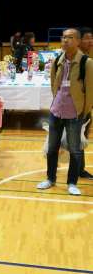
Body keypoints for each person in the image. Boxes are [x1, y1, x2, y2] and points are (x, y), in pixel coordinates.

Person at [37, 28, 93, 196]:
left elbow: (90, 91)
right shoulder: (57, 60)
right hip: (56, 111)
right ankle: (50, 178)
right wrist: (57, 101)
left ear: (78, 41)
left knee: (75, 150)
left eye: (70, 37)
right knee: (52, 148)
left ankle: (72, 182)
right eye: (63, 37)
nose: (65, 40)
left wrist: (83, 112)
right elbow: (54, 84)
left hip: (75, 114)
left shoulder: (86, 63)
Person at [78, 26, 93, 179]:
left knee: (81, 139)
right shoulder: (79, 59)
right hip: (79, 109)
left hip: (86, 108)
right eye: (87, 38)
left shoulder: (86, 58)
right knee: (77, 140)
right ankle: (77, 171)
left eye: (92, 38)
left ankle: (79, 169)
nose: (91, 41)